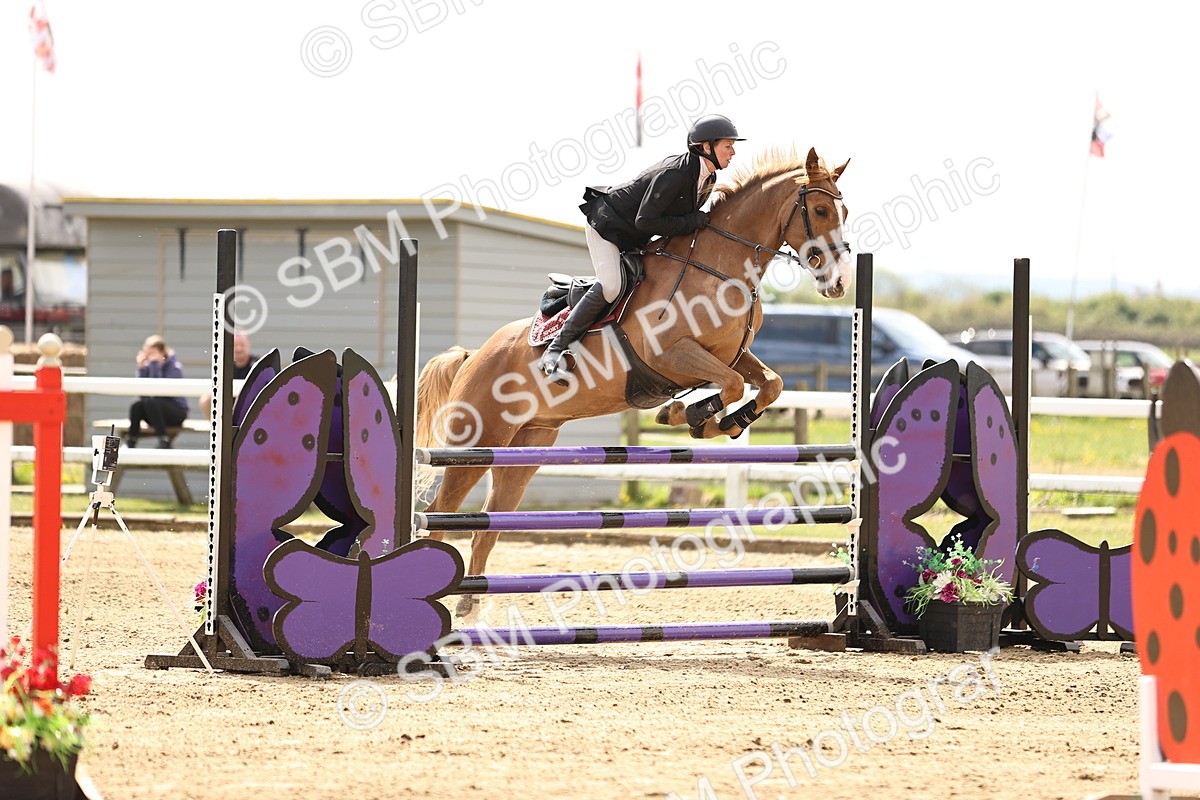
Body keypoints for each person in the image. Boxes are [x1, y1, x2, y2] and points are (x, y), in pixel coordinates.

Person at [538, 114, 744, 379]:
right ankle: (554, 350)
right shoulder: (676, 174)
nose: (733, 152)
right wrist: (692, 221)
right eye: (728, 146)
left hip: (635, 235)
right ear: (706, 147)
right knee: (611, 286)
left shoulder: (707, 178)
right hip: (608, 226)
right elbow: (645, 220)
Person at [127, 334, 188, 448]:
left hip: (175, 413)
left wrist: (156, 365)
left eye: (152, 353)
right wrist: (141, 369)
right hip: (154, 412)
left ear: (162, 353)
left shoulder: (174, 368)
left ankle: (163, 440)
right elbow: (142, 393)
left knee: (152, 402)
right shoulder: (147, 366)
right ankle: (131, 440)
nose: (149, 357)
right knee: (137, 404)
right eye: (147, 354)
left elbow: (159, 392)